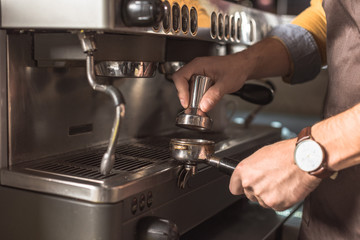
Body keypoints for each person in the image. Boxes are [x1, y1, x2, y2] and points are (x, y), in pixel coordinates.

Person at [172, 0, 360, 239]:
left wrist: (309, 154)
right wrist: (245, 62)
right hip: (334, 212)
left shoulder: (312, 155)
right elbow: (338, 20)